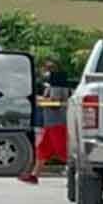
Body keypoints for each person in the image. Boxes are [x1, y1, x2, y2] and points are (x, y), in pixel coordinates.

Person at [16, 57, 64, 185]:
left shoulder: (58, 83)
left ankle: (74, 171)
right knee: (42, 150)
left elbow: (56, 102)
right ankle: (34, 176)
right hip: (50, 122)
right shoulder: (52, 84)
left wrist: (38, 100)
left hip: (58, 122)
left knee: (62, 151)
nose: (45, 72)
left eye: (48, 69)